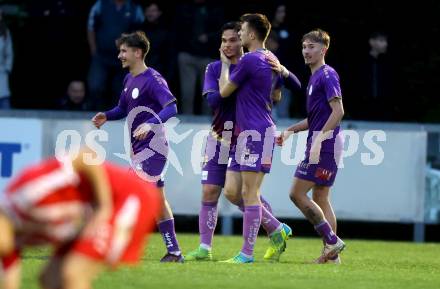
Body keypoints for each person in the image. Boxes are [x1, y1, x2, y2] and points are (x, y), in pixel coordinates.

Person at [185, 21, 301, 262]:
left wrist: (280, 73)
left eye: (234, 38)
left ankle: (254, 247)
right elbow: (214, 101)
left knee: (247, 192)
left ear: (243, 40)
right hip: (220, 136)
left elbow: (277, 94)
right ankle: (206, 248)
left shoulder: (256, 63)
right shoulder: (214, 68)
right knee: (219, 191)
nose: (228, 44)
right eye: (224, 41)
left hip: (246, 134)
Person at [0, 149, 161, 289]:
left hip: (126, 197)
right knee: (50, 279)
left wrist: (103, 206)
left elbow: (86, 156)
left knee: (73, 274)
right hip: (87, 218)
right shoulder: (9, 239)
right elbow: (9, 282)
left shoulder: (28, 192)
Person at [91, 31, 183, 263]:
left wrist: (151, 124)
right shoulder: (129, 79)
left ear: (138, 52)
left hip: (154, 149)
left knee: (126, 192)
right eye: (120, 51)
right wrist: (107, 115)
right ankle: (175, 252)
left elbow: (171, 107)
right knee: (159, 203)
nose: (120, 55)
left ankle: (113, 246)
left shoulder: (153, 79)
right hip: (138, 149)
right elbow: (123, 108)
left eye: (124, 51)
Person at [214, 14, 288, 264]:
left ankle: (246, 253)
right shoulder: (271, 59)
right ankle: (277, 228)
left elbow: (224, 92)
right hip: (245, 133)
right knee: (232, 192)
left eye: (243, 30)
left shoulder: (250, 60)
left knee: (249, 192)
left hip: (256, 132)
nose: (240, 34)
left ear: (253, 35)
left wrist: (225, 64)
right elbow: (277, 96)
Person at [277, 29, 346, 264]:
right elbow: (315, 118)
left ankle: (332, 244)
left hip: (325, 146)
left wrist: (318, 140)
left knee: (296, 193)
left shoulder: (327, 75)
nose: (306, 51)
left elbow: (339, 111)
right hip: (324, 144)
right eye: (304, 47)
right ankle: (331, 254)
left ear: (323, 50)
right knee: (321, 197)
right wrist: (290, 131)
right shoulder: (314, 77)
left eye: (312, 47)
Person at [87, 0, 144, 110]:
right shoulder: (100, 5)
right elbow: (91, 28)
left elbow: (140, 34)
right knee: (95, 86)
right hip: (101, 55)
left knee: (120, 90)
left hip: (125, 58)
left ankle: (115, 118)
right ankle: (96, 114)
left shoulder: (135, 8)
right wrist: (93, 50)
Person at [0, 8, 13, 109]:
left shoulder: (5, 32)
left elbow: (9, 53)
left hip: (1, 73)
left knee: (4, 103)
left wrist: (7, 68)